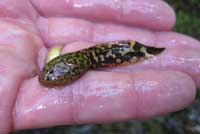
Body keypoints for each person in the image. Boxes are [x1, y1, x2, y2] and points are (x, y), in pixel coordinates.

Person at [0, 0, 199, 133]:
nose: (46, 77)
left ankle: (146, 52)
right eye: (48, 72)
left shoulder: (84, 61)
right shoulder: (73, 62)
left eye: (51, 74)